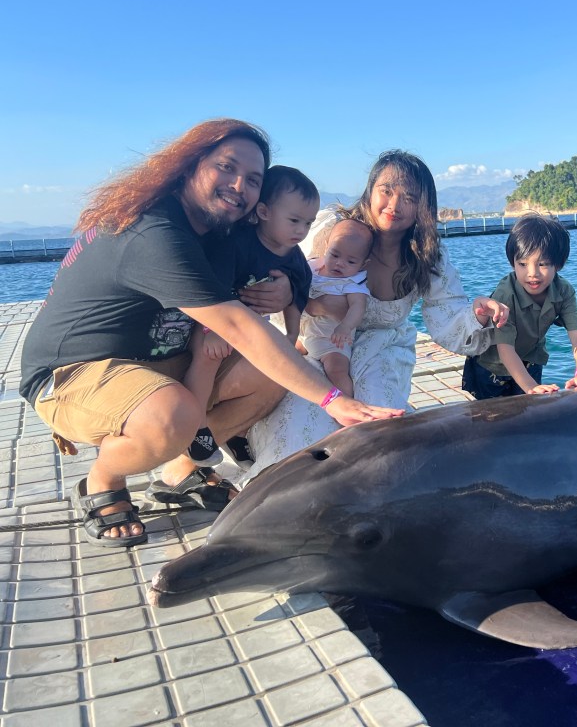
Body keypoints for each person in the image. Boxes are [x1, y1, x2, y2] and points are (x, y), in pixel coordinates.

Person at [19, 120, 403, 548]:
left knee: (274, 375)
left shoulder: (219, 228)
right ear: (188, 166)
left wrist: (284, 290)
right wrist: (334, 399)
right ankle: (103, 480)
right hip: (72, 374)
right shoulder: (154, 231)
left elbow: (274, 264)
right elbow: (237, 325)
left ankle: (182, 472)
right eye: (226, 167)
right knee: (174, 415)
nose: (239, 185)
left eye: (253, 179)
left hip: (156, 359)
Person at [244, 149, 509, 478]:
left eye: (409, 197)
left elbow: (447, 313)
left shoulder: (426, 254)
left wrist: (477, 313)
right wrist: (288, 291)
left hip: (382, 348)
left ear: (423, 206)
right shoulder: (332, 229)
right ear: (370, 190)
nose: (394, 205)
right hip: (318, 340)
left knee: (378, 432)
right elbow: (280, 260)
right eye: (387, 191)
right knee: (303, 429)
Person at [183, 165, 317, 466]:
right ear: (265, 212)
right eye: (294, 220)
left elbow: (298, 294)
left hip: (249, 328)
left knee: (278, 363)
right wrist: (214, 331)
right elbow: (212, 289)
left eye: (308, 223)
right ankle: (196, 424)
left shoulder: (294, 257)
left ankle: (237, 432)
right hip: (212, 319)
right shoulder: (237, 242)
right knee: (207, 356)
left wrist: (291, 335)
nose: (301, 231)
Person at [462, 214, 577, 399]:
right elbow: (505, 348)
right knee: (493, 414)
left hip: (531, 360)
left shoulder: (564, 291)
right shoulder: (505, 294)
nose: (532, 273)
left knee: (531, 409)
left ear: (558, 264)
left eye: (542, 264)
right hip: (491, 366)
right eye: (522, 264)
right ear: (512, 262)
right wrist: (530, 386)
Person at [298, 216, 374, 398]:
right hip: (304, 335)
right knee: (283, 354)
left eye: (351, 261)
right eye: (335, 255)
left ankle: (348, 402)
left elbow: (358, 307)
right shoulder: (312, 268)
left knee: (337, 370)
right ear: (326, 247)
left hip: (332, 340)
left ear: (363, 264)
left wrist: (345, 327)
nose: (340, 263)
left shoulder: (352, 282)